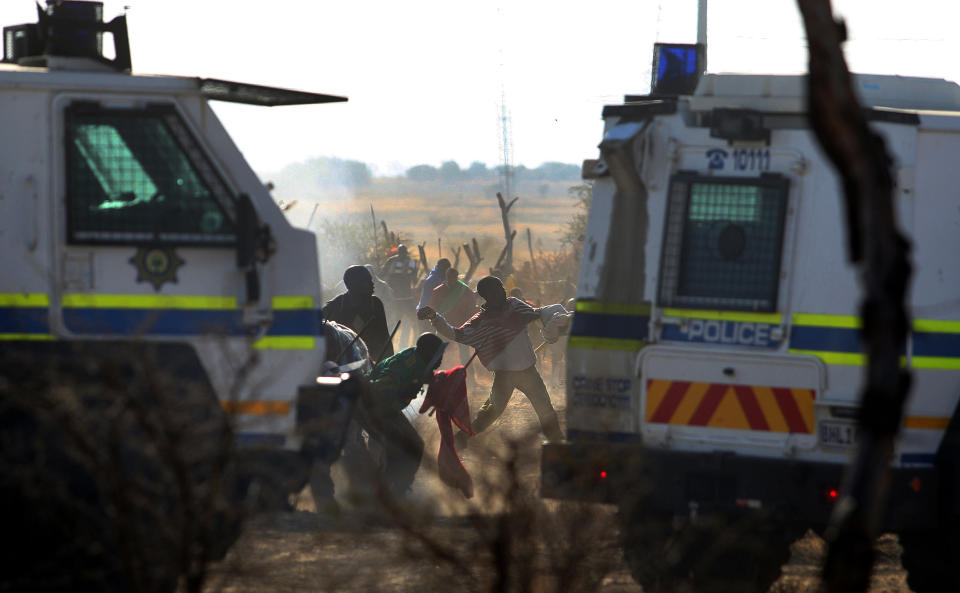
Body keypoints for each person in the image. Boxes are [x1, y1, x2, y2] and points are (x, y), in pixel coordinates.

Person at [418, 275, 566, 446]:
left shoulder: (515, 305)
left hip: (528, 372)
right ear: (487, 295)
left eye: (502, 288)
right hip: (504, 376)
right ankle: (459, 441)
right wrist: (435, 318)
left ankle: (557, 443)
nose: (503, 291)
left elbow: (537, 314)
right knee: (489, 414)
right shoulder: (480, 322)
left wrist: (558, 320)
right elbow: (455, 334)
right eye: (498, 289)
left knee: (545, 409)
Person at [360, 332, 446, 498]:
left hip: (387, 410)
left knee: (414, 446)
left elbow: (426, 376)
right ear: (428, 353)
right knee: (398, 449)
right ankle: (384, 494)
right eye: (438, 355)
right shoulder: (405, 365)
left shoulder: (419, 360)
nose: (441, 359)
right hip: (374, 407)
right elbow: (379, 388)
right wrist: (403, 391)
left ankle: (398, 488)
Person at [322, 265, 393, 363]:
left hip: (373, 362)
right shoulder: (338, 305)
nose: (372, 284)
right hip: (346, 364)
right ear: (352, 285)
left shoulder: (375, 304)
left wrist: (389, 363)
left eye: (371, 280)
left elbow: (385, 337)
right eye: (366, 281)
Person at [429, 268, 479, 378]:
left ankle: (470, 378)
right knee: (438, 352)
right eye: (450, 278)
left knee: (465, 354)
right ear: (446, 278)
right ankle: (432, 376)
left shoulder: (465, 291)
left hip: (461, 326)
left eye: (454, 278)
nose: (452, 280)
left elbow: (472, 308)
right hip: (443, 326)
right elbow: (433, 308)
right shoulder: (438, 291)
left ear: (457, 278)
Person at [381, 245, 419, 348]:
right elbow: (415, 280)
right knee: (411, 323)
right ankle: (411, 345)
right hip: (407, 298)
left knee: (393, 324)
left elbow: (382, 274)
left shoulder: (391, 261)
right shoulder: (412, 263)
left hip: (395, 298)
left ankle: (390, 346)